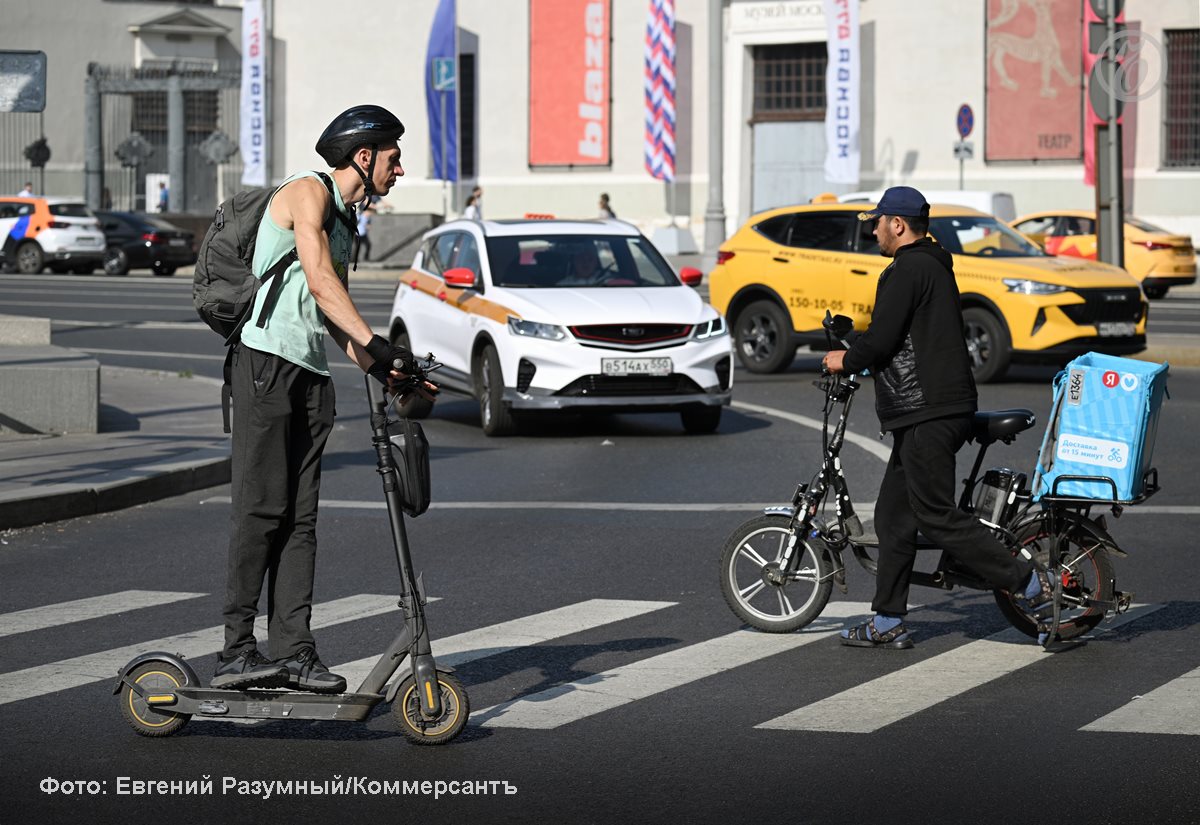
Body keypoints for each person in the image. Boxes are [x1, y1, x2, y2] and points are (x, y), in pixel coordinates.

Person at [214, 105, 435, 692]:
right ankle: (237, 649)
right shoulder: (306, 192)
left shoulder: (346, 222)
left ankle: (293, 650)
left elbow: (332, 319)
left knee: (300, 521)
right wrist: (379, 345)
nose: (400, 169)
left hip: (310, 374)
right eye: (393, 157)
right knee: (261, 509)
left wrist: (390, 372)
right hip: (264, 364)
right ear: (363, 157)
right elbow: (318, 279)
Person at [821, 185, 1052, 649]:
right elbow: (902, 335)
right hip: (930, 409)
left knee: (935, 514)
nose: (875, 232)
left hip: (928, 409)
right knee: (893, 514)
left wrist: (841, 360)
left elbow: (883, 338)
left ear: (898, 225)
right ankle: (888, 620)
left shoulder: (906, 270)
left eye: (879, 223)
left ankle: (1025, 580)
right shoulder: (934, 265)